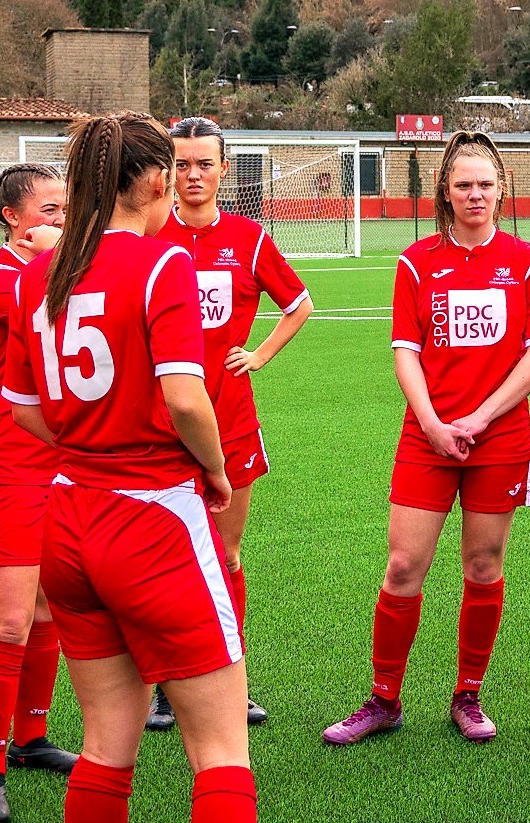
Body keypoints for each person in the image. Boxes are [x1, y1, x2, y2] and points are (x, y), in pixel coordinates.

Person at [3, 110, 278, 823]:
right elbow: (187, 397)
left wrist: (91, 440)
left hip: (69, 518)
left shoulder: (42, 272)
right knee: (219, 747)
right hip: (151, 519)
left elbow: (27, 411)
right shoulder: (161, 262)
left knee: (108, 735)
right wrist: (211, 465)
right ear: (156, 181)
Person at [322, 130, 530, 746]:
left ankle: (468, 694)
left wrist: (480, 419)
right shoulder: (415, 262)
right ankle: (383, 700)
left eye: (485, 184)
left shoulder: (526, 261)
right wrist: (431, 422)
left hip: (499, 438)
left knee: (483, 565)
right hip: (426, 435)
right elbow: (406, 351)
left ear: (501, 190)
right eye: (463, 185)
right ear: (445, 193)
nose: (475, 194)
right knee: (403, 565)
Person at [145, 116, 314, 731]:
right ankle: (163, 683)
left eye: (204, 164)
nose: (192, 176)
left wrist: (260, 355)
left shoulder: (248, 239)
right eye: (181, 164)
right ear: (166, 170)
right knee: (161, 558)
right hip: (158, 423)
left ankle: (228, 679)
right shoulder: (149, 236)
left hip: (231, 421)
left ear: (224, 169)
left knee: (225, 554)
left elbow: (299, 305)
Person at [0, 163, 78, 823]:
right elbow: (52, 306)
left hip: (55, 465)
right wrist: (61, 250)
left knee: (48, 611)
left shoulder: (42, 269)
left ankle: (30, 738)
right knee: (7, 621)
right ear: (11, 217)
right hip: (2, 466)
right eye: (51, 210)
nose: (63, 221)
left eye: (68, 210)